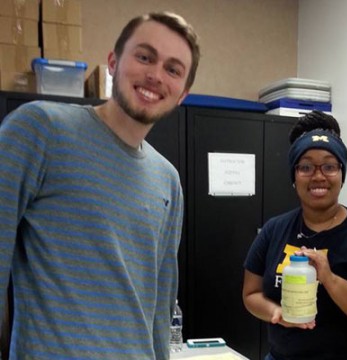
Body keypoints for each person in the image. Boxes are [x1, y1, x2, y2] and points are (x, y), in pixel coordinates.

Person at [0, 11, 200, 359]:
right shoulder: (41, 130)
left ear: (182, 93)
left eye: (173, 69)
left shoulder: (167, 180)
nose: (155, 76)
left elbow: (160, 305)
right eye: (144, 57)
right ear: (113, 62)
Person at [243, 110, 347, 360]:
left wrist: (329, 278)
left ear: (342, 175)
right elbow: (251, 294)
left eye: (329, 166)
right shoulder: (274, 230)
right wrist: (276, 312)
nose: (318, 175)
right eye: (305, 167)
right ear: (294, 176)